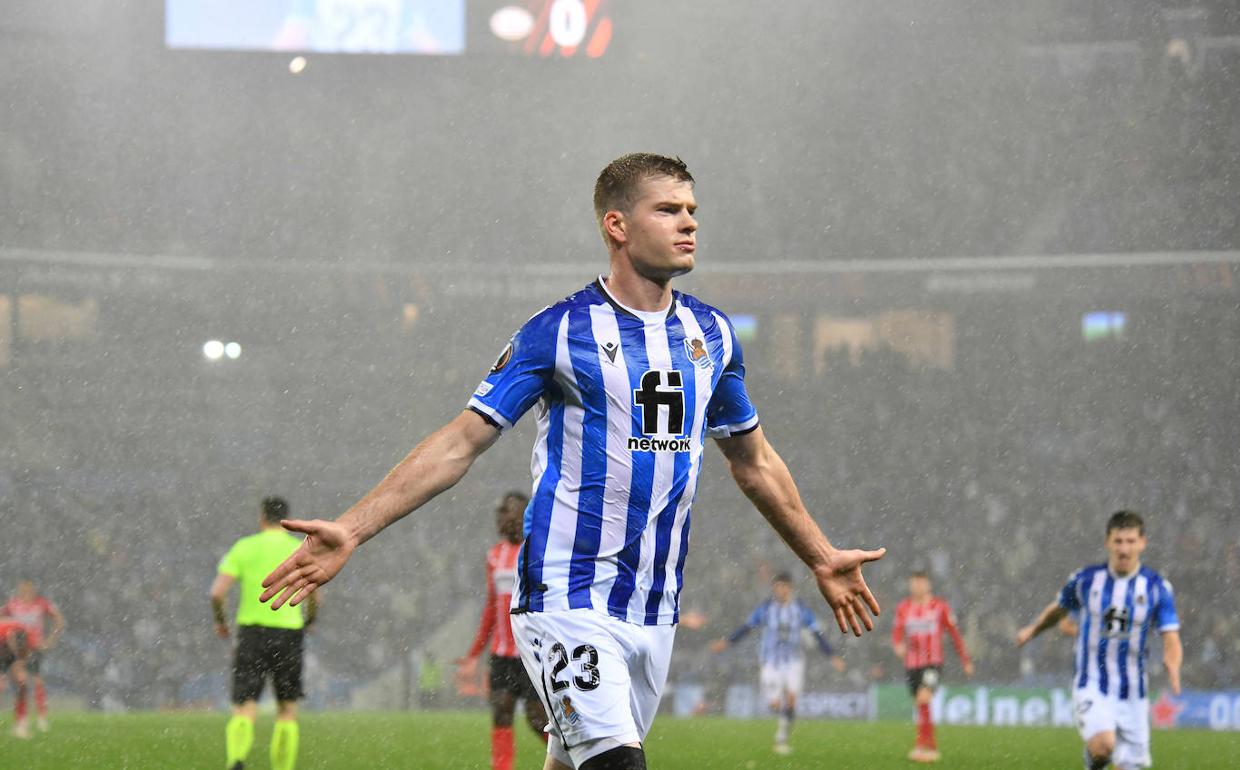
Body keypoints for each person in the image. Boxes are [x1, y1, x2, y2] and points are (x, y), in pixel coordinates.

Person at [260, 153, 886, 770]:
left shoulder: (712, 335)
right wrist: (353, 527)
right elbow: (461, 442)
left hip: (654, 605)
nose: (688, 222)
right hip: (567, 596)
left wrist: (820, 556)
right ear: (617, 225)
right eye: (667, 210)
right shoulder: (558, 330)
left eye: (692, 210)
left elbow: (754, 461)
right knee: (618, 765)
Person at [1016, 510, 1182, 770]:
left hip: (1134, 691)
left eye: (1130, 541)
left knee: (1130, 765)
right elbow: (1058, 611)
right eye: (1118, 541)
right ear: (1107, 542)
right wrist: (1033, 630)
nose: (1124, 549)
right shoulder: (1086, 580)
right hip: (1092, 681)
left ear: (1142, 543)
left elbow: (1170, 635)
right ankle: (1095, 758)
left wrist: (1172, 664)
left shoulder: (1157, 588)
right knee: (1104, 746)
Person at [211, 496, 320, 770]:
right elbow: (315, 596)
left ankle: (236, 760)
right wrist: (310, 620)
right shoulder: (299, 550)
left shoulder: (244, 547)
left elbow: (217, 593)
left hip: (252, 632)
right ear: (287, 519)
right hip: (289, 633)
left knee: (245, 704)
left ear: (261, 517)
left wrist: (221, 621)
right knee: (287, 709)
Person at [458, 491, 549, 770]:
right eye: (500, 513)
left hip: (532, 652)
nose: (503, 518)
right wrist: (474, 654)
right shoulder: (494, 555)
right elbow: (490, 608)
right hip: (502, 653)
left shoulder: (538, 551)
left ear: (524, 514)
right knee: (501, 712)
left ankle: (573, 759)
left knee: (537, 719)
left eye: (509, 511)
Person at [709, 572, 846, 755]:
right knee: (774, 704)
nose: (780, 590)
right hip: (770, 661)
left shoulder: (800, 608)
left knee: (791, 699)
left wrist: (832, 656)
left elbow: (816, 634)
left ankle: (781, 738)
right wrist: (727, 642)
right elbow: (747, 628)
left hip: (794, 661)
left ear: (790, 587)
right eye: (777, 586)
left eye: (783, 586)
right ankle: (782, 721)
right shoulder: (766, 609)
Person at [891, 569, 972, 763]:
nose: (917, 586)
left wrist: (965, 659)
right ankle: (926, 746)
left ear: (928, 585)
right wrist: (898, 645)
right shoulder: (904, 607)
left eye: (921, 582)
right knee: (920, 704)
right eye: (914, 583)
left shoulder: (940, 607)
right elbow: (897, 632)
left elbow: (954, 634)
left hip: (932, 663)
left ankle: (926, 747)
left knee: (924, 698)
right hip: (911, 664)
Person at [2, 580, 64, 734]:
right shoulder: (12, 604)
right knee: (19, 680)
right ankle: (22, 721)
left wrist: (51, 639)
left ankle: (40, 717)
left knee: (34, 679)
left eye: (29, 590)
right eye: (23, 590)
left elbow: (58, 618)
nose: (26, 593)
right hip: (13, 644)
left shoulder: (41, 604)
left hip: (33, 645)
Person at [0, 618, 31, 738]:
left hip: (9, 651)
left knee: (22, 684)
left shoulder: (24, 633)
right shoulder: (8, 633)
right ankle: (21, 723)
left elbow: (23, 654)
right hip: (5, 650)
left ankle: (21, 723)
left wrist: (20, 663)